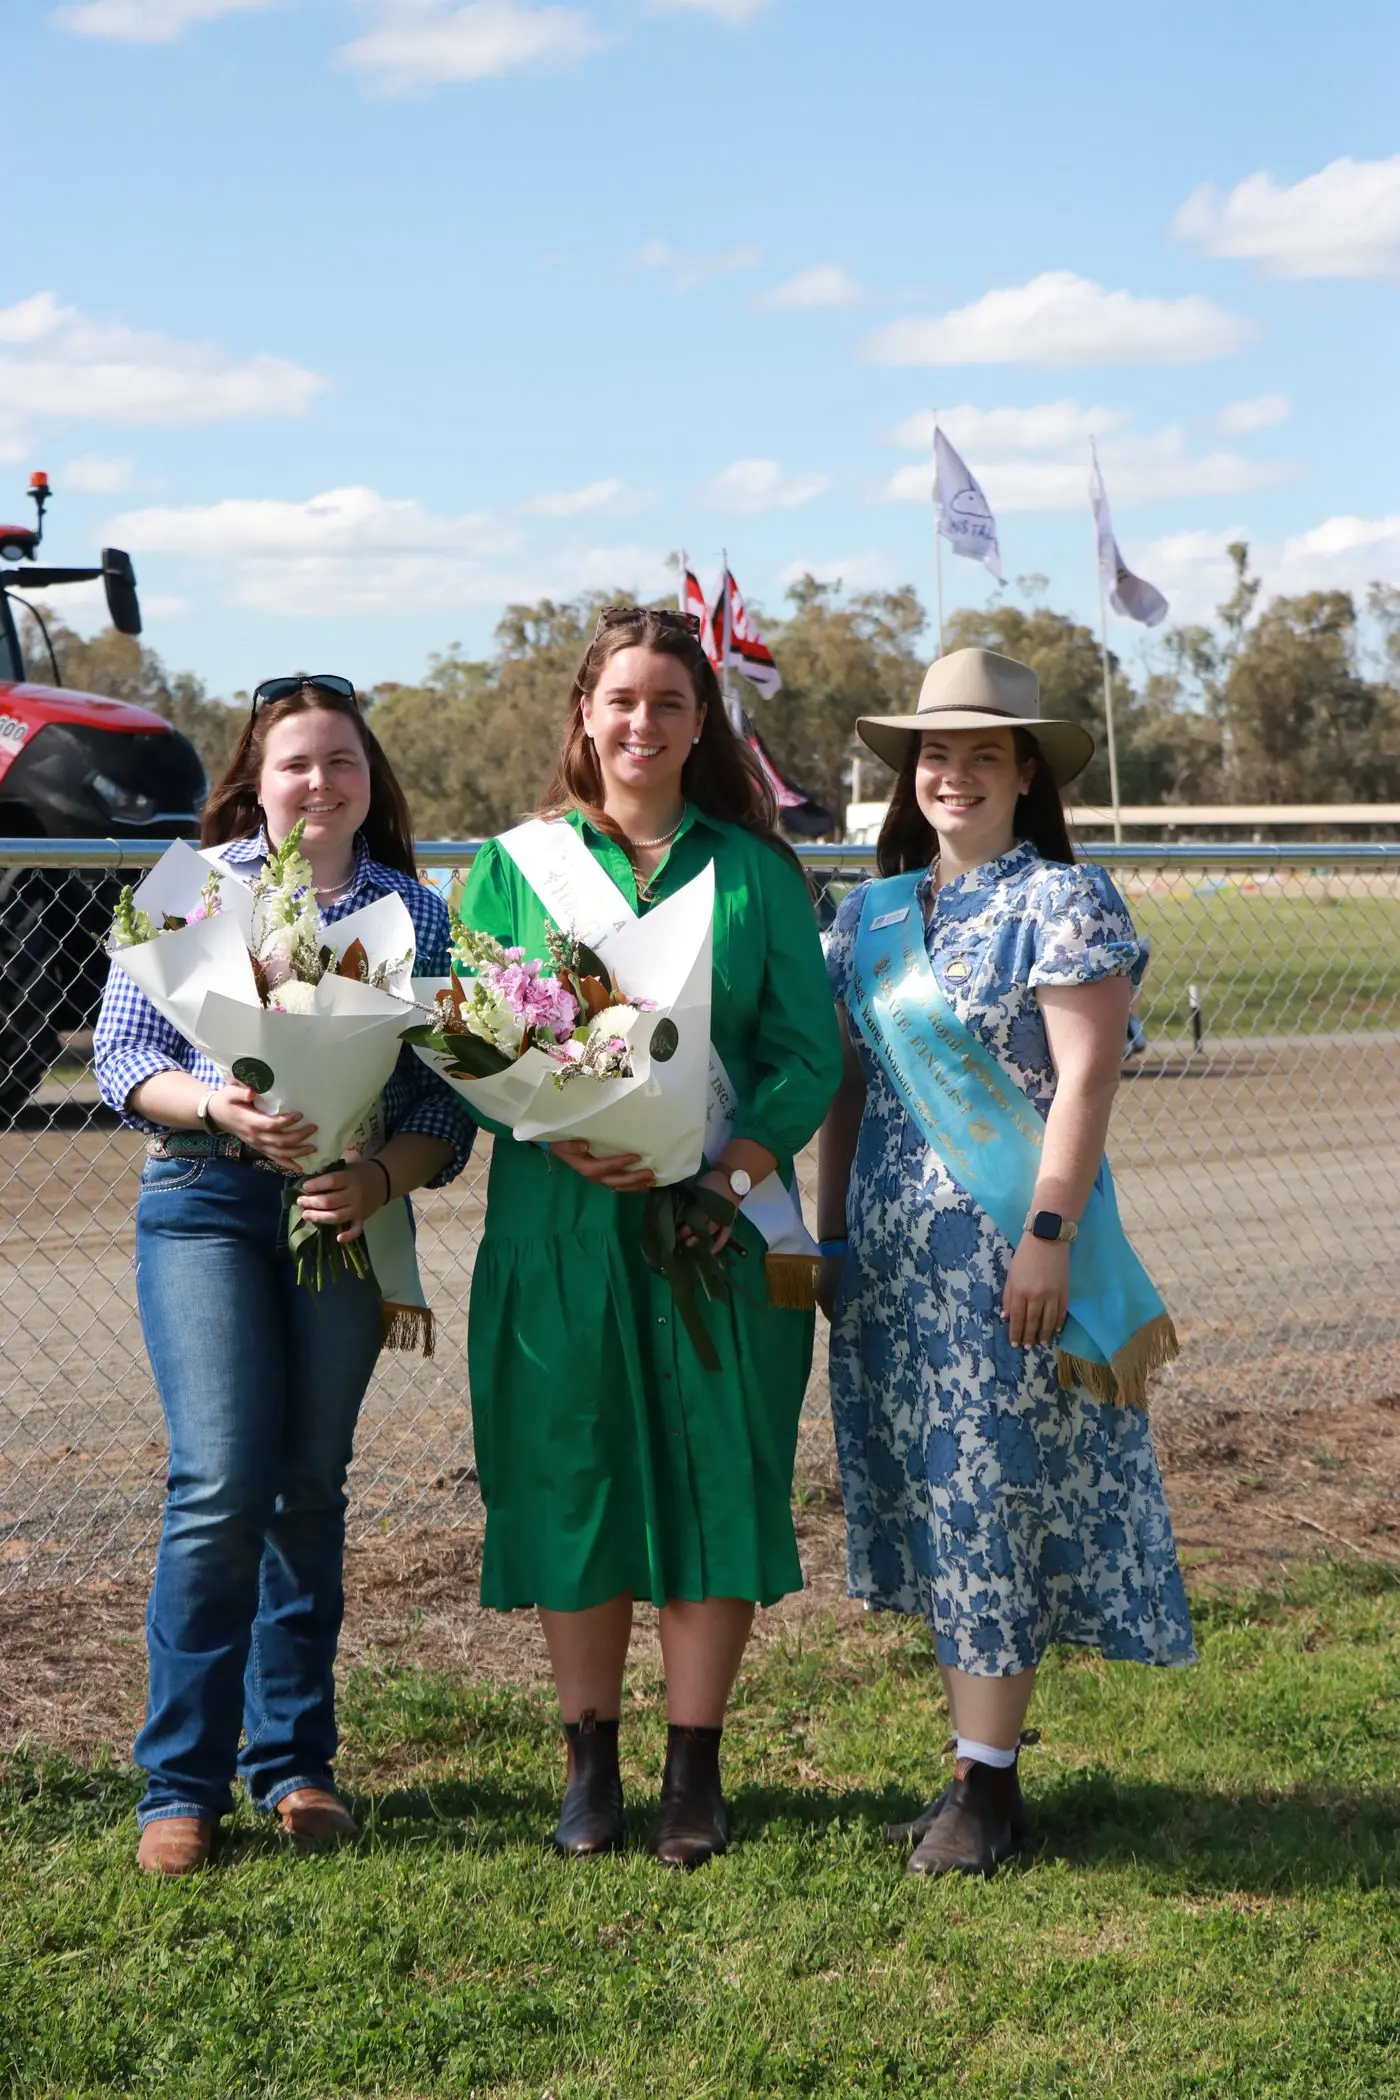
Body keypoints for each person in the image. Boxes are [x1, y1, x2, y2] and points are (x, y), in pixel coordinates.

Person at [457, 606, 841, 1868]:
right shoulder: (515, 867)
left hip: (715, 1227)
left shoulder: (753, 870)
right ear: (584, 712)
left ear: (699, 724)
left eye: (669, 704)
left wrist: (730, 1158)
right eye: (620, 700)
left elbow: (803, 1050)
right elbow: (474, 1032)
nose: (641, 723)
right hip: (559, 1219)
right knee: (574, 1480)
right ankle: (588, 1767)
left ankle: (693, 1772)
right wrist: (547, 1122)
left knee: (712, 1477)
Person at [818, 647, 1195, 1880]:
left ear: (1026, 774)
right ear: (907, 773)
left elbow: (1087, 1079)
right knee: (937, 1503)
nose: (954, 774)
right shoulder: (869, 917)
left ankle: (986, 1786)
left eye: (984, 754)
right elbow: (850, 1091)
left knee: (987, 1503)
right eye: (936, 752)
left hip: (1003, 1266)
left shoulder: (1061, 901)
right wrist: (827, 1235)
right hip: (886, 1270)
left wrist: (1045, 1237)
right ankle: (971, 1768)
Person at [94, 674, 474, 1876]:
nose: (321, 783)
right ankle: (180, 1785)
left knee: (308, 1488)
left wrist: (376, 1182)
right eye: (297, 763)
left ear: (371, 780)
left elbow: (440, 1109)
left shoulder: (418, 913)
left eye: (342, 762)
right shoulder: (188, 887)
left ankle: (296, 1763)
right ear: (257, 777)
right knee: (218, 1484)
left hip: (341, 1217)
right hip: (202, 1201)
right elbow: (120, 1056)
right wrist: (219, 1104)